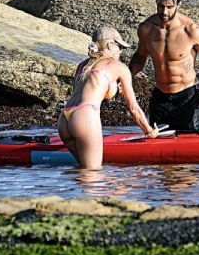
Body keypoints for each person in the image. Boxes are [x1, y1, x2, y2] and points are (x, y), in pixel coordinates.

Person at [129, 0, 199, 134]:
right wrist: (124, 79)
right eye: (160, 6)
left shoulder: (191, 31)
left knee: (191, 147)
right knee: (157, 146)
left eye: (169, 7)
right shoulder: (146, 29)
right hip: (160, 98)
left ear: (178, 4)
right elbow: (140, 57)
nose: (164, 11)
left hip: (187, 99)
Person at [57, 26, 158, 170]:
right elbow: (133, 108)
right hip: (84, 117)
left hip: (65, 119)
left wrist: (113, 87)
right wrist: (149, 131)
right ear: (111, 45)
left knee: (83, 173)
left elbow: (84, 93)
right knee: (93, 174)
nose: (121, 52)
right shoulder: (119, 66)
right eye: (120, 47)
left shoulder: (82, 66)